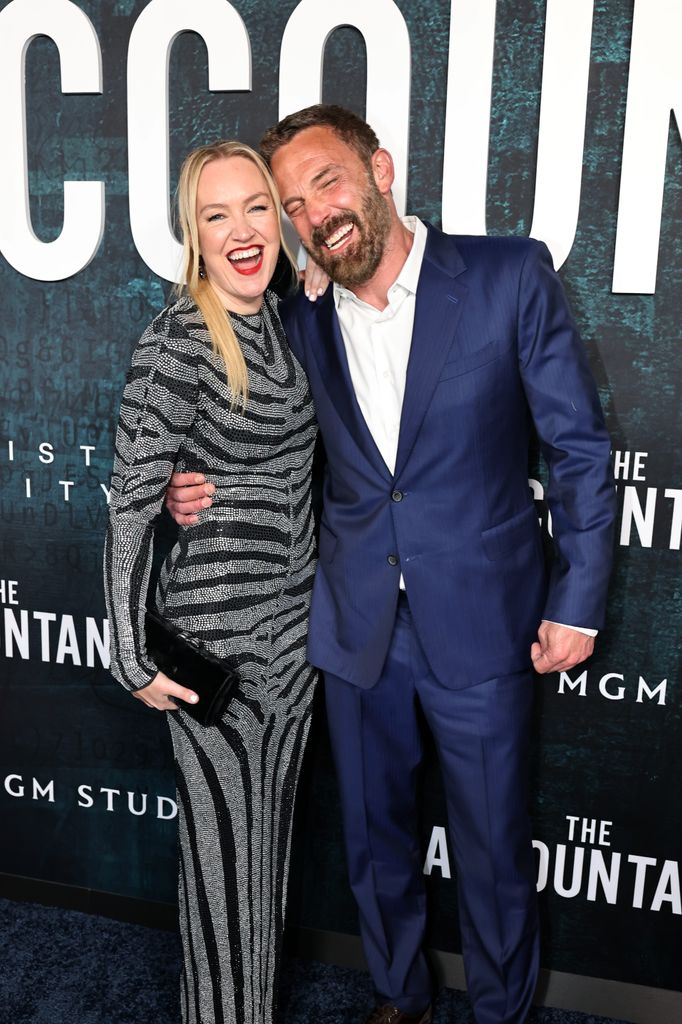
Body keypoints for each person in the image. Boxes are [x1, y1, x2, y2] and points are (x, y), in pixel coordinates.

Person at [166, 106, 616, 1024]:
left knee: (492, 846)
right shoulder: (297, 316)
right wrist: (192, 485)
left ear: (379, 169)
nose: (312, 215)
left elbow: (577, 449)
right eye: (292, 205)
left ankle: (500, 1011)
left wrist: (577, 601)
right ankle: (400, 994)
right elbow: (260, 434)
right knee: (375, 840)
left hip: (484, 620)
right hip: (356, 622)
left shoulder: (506, 275)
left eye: (325, 182)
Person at [103, 139, 321, 1024]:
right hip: (216, 658)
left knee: (263, 871)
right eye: (217, 214)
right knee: (222, 876)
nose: (242, 230)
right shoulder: (177, 342)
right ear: (193, 232)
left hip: (295, 649)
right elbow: (128, 506)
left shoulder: (287, 319)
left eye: (257, 207)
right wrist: (129, 654)